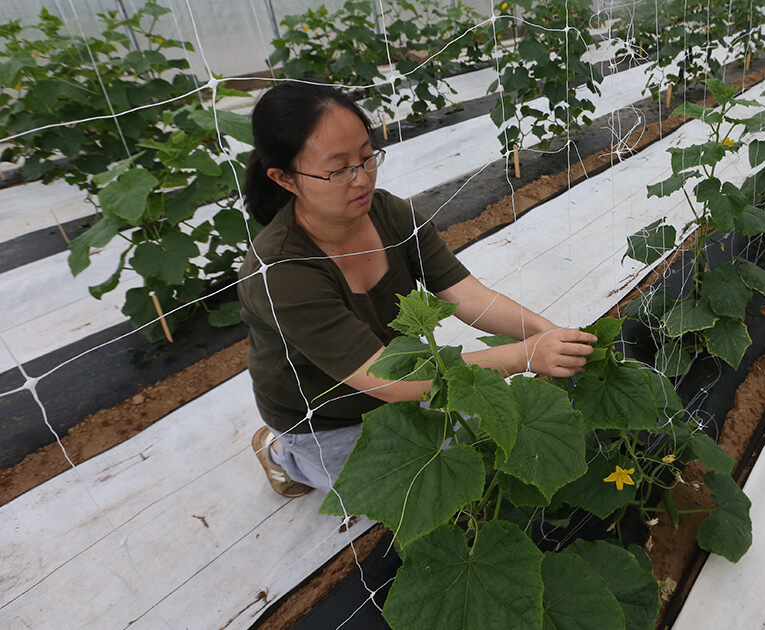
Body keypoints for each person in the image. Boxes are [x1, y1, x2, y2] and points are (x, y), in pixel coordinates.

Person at [237, 82, 596, 497]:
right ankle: (283, 452)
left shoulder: (388, 212)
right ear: (285, 179)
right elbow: (382, 379)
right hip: (328, 415)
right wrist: (524, 356)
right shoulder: (281, 271)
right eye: (338, 169)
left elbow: (468, 296)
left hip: (409, 383)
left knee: (469, 458)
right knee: (416, 491)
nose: (361, 180)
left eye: (367, 157)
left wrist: (546, 334)